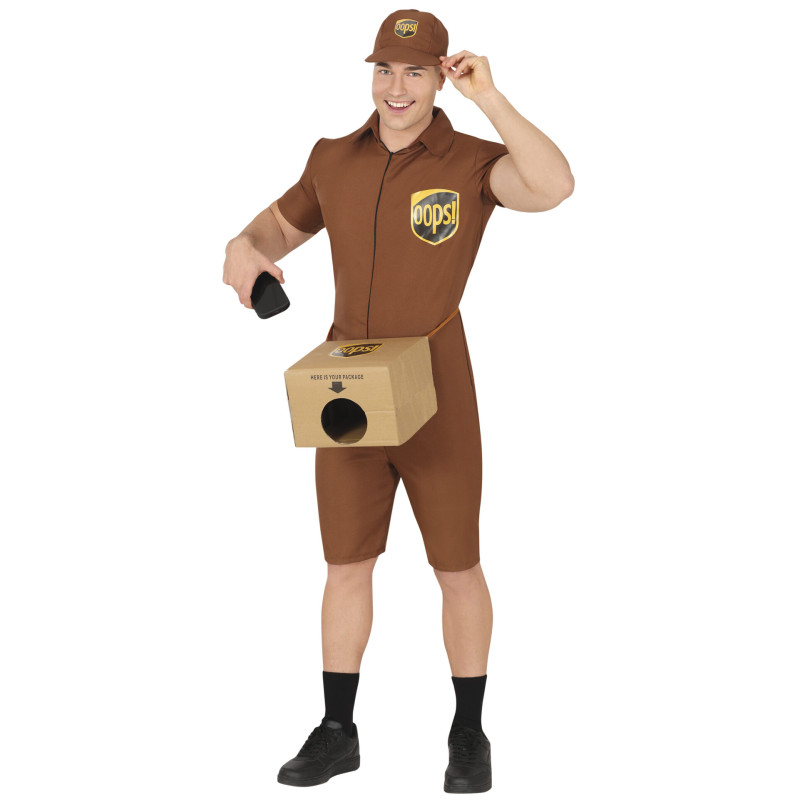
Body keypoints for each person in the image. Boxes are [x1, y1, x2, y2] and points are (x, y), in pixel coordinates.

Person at [222, 9, 573, 793]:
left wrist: (490, 98)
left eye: (415, 71)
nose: (396, 87)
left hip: (436, 388)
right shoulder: (332, 158)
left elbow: (555, 185)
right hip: (345, 386)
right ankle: (337, 731)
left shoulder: (473, 162)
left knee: (457, 566)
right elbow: (275, 228)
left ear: (442, 76)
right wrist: (243, 246)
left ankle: (469, 731)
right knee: (344, 564)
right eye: (384, 69)